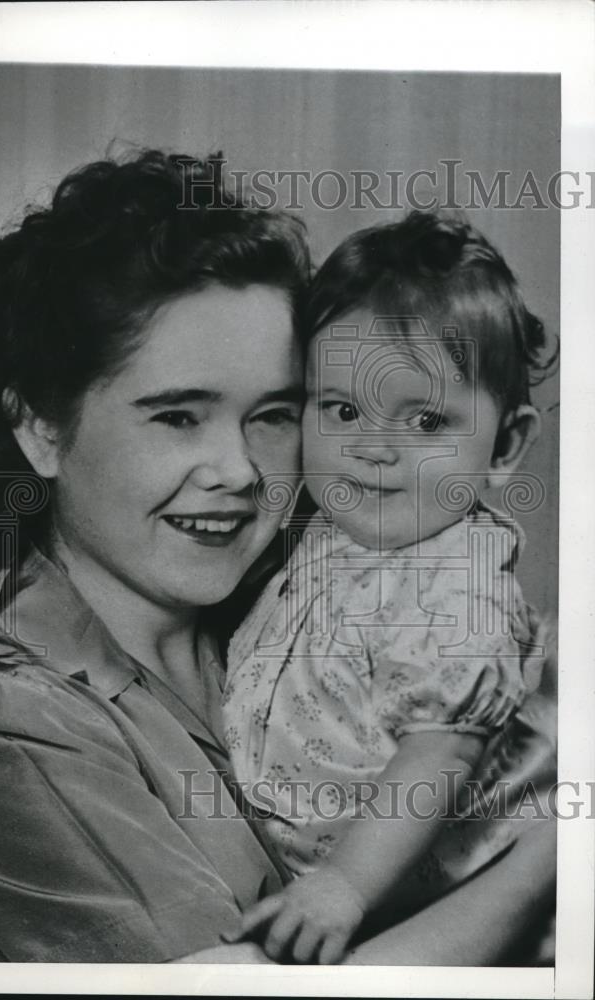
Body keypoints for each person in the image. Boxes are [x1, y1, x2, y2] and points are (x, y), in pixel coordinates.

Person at [0, 153, 556, 964]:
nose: (241, 470)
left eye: (275, 415)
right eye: (180, 417)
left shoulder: (298, 591)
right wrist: (553, 863)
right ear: (42, 427)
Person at [223, 213, 558, 964]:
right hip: (313, 874)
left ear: (504, 445)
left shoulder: (455, 587)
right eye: (341, 410)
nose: (373, 448)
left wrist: (345, 886)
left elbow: (435, 758)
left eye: (427, 419)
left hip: (401, 897)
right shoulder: (333, 528)